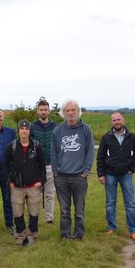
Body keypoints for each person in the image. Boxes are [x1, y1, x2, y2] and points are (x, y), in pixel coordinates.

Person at [51, 99, 94, 241]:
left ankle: (78, 234)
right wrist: (56, 173)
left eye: (72, 110)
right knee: (64, 209)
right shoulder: (58, 130)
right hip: (61, 177)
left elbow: (90, 152)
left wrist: (86, 171)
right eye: (67, 111)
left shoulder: (86, 130)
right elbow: (54, 153)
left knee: (79, 209)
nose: (70, 113)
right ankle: (65, 234)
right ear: (63, 113)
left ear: (78, 112)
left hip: (79, 177)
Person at [97, 112, 135, 240]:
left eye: (119, 119)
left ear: (123, 120)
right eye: (114, 120)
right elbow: (100, 157)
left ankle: (134, 230)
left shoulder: (131, 137)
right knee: (110, 202)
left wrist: (132, 169)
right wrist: (101, 174)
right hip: (110, 173)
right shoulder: (106, 137)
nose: (117, 122)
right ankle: (112, 227)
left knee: (130, 203)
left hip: (126, 174)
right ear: (111, 122)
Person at [4, 120, 46, 245]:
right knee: (18, 212)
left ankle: (32, 235)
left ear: (29, 131)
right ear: (18, 130)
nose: (24, 131)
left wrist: (41, 181)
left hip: (34, 185)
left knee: (34, 212)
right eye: (21, 129)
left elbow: (42, 166)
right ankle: (20, 235)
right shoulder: (12, 146)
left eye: (26, 129)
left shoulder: (36, 146)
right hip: (17, 186)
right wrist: (9, 182)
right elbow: (5, 165)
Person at [31, 99, 58, 224]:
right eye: (41, 109)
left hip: (51, 164)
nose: (43, 112)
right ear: (38, 111)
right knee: (34, 194)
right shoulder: (32, 126)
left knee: (50, 194)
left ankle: (49, 218)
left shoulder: (55, 127)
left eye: (45, 109)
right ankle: (34, 216)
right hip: (36, 166)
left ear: (49, 111)